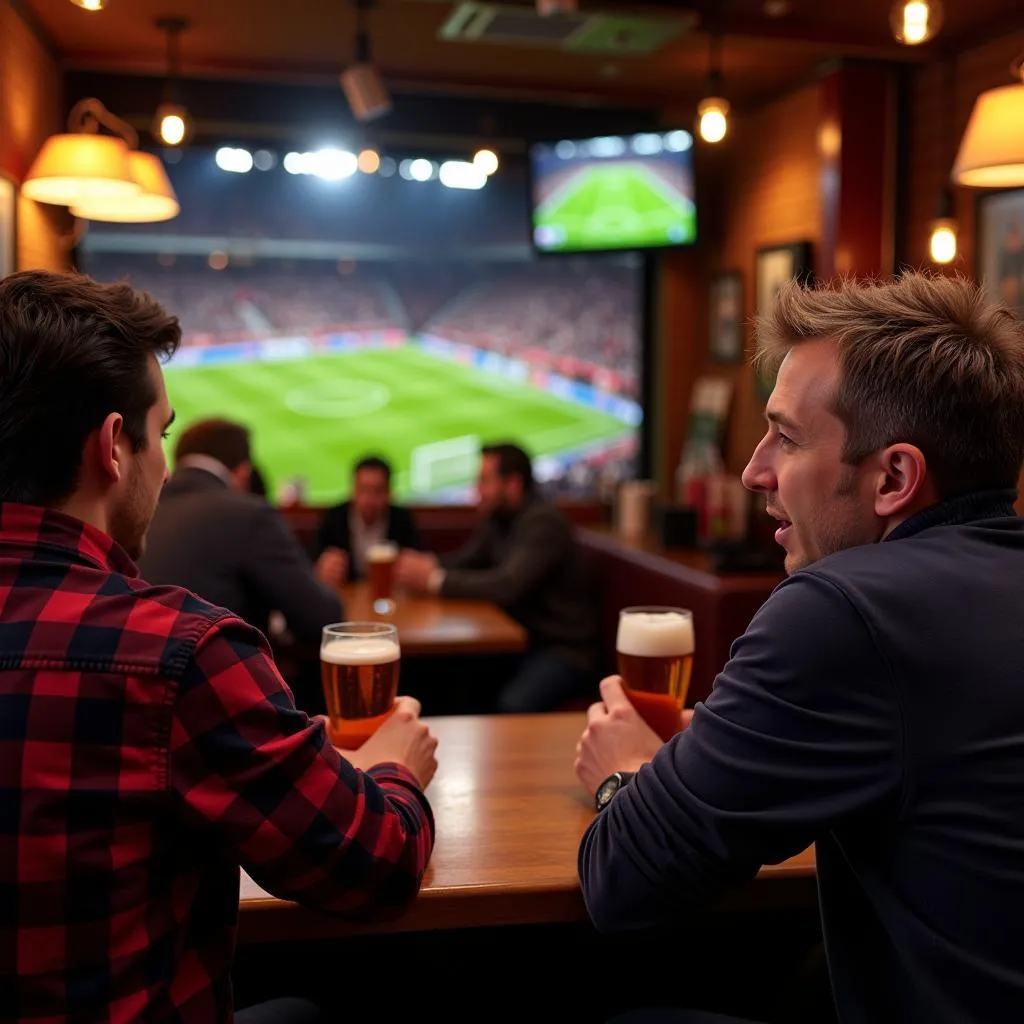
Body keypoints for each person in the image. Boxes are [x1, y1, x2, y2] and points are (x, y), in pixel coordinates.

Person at [575, 273, 1024, 1024]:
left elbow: (623, 881)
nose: (753, 470)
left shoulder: (843, 611)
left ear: (894, 477)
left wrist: (626, 773)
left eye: (785, 437)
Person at [0, 271, 438, 1023]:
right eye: (161, 434)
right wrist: (397, 770)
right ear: (113, 447)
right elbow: (375, 864)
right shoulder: (180, 653)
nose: (164, 465)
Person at [397, 443, 597, 712]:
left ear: (512, 483)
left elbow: (507, 585)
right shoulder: (499, 517)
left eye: (484, 480)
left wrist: (433, 580)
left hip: (562, 651)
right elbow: (467, 560)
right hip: (523, 642)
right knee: (447, 678)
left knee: (511, 703)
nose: (476, 489)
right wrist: (426, 564)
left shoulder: (543, 522)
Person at [140, 418, 345, 646]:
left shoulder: (141, 510)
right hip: (218, 676)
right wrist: (323, 584)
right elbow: (320, 619)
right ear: (243, 473)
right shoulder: (250, 513)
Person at [314, 455, 422, 582]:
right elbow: (311, 561)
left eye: (378, 491)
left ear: (389, 493)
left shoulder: (402, 519)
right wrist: (321, 569)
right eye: (364, 490)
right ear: (353, 490)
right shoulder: (334, 517)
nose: (370, 500)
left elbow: (417, 558)